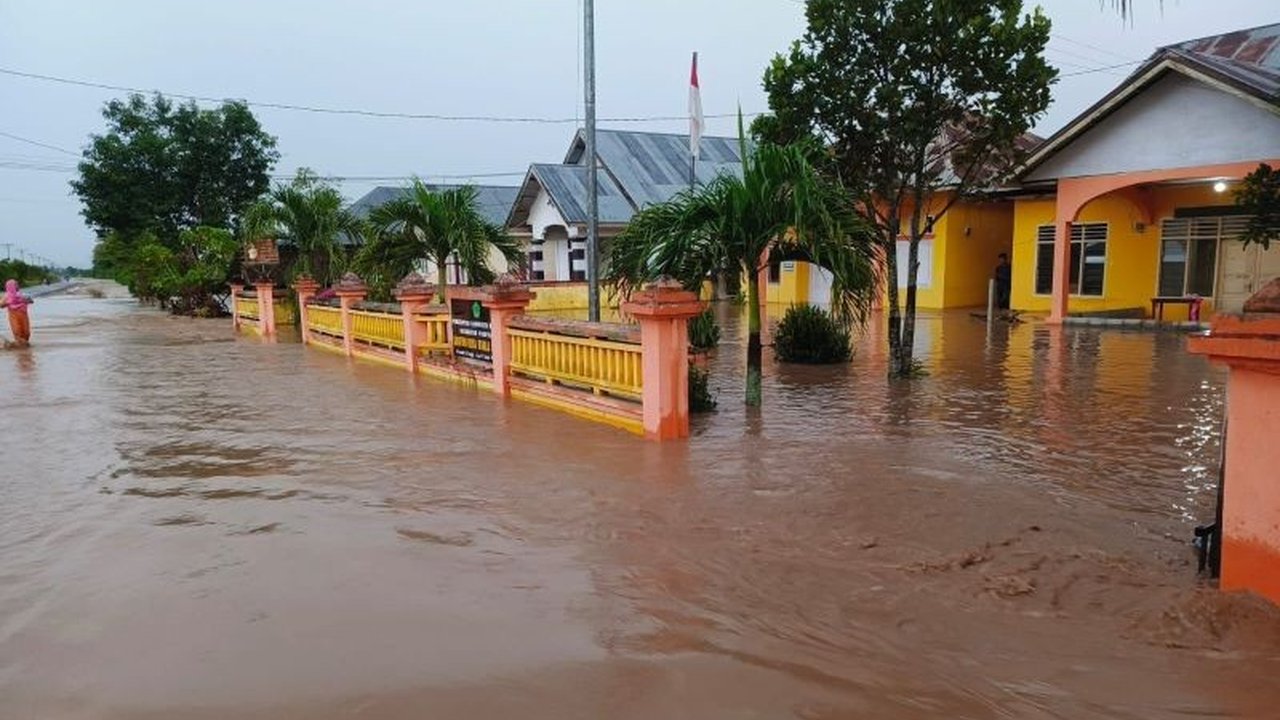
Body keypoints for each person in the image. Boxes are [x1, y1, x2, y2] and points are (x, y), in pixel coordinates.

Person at [2, 279, 34, 347]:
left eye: (17, 284)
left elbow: (31, 301)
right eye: (15, 284)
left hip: (24, 316)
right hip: (14, 316)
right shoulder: (7, 296)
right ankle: (21, 351)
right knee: (17, 332)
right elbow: (1, 305)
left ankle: (23, 349)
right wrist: (8, 302)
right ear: (10, 286)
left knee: (26, 333)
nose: (18, 286)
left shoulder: (22, 295)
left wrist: (25, 300)